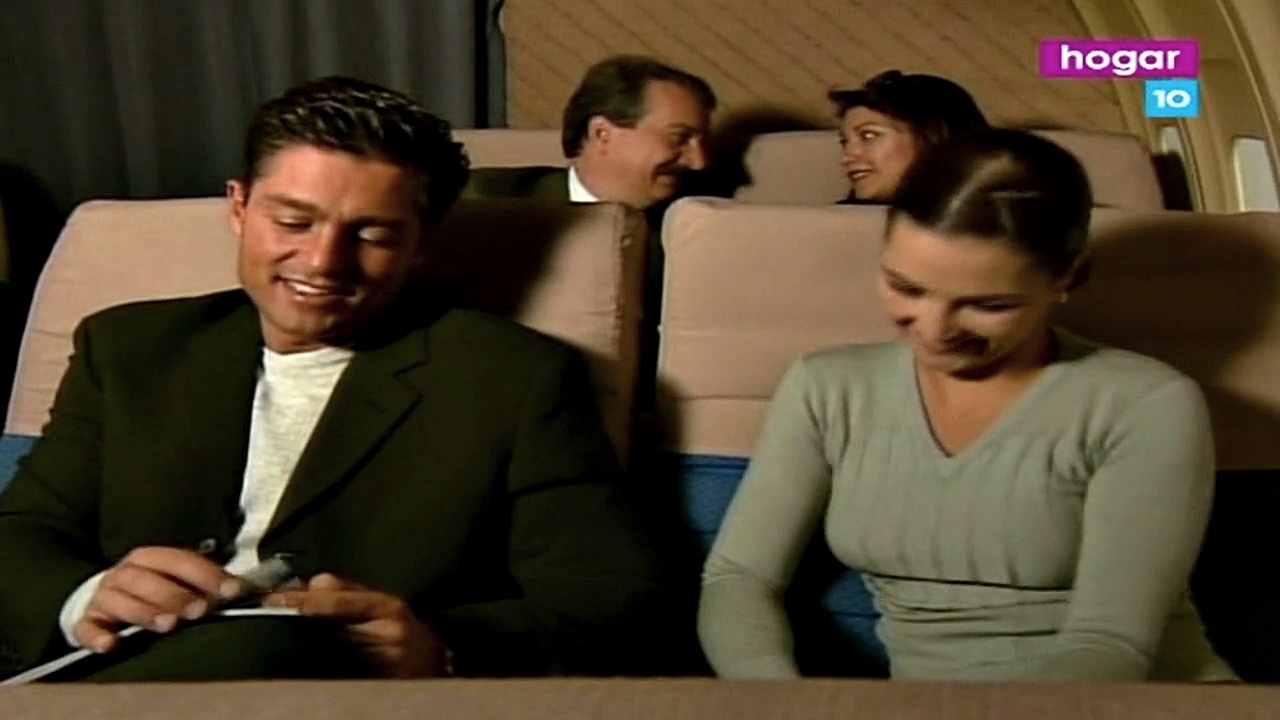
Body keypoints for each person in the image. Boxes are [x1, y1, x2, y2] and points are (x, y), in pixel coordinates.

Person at [0, 76, 669, 682]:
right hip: (105, 679)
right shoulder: (128, 348)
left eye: (372, 235)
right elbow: (22, 532)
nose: (323, 261)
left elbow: (614, 601)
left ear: (422, 241)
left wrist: (444, 645)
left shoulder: (513, 377)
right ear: (239, 207)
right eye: (293, 221)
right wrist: (82, 599)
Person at [697, 128, 1236, 681]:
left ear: (1067, 277)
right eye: (906, 288)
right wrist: (779, 700)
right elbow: (739, 579)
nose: (935, 331)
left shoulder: (1144, 405)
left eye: (988, 305)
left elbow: (1111, 641)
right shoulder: (827, 389)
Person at [463, 54, 714, 212]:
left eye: (702, 142)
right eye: (679, 137)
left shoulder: (697, 223)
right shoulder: (482, 201)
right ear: (602, 134)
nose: (699, 162)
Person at [829, 70, 988, 203]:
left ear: (932, 136)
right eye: (845, 142)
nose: (847, 158)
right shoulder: (833, 223)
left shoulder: (992, 222)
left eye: (869, 135)